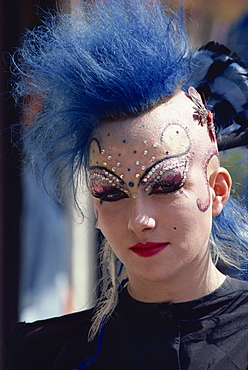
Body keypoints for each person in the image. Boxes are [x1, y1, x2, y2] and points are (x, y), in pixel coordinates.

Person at [6, 0, 248, 369]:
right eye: (112, 193)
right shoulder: (43, 355)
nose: (140, 220)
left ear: (216, 190)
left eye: (165, 185)